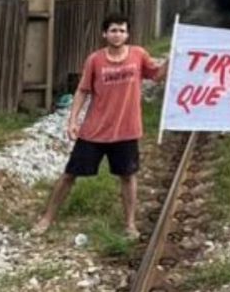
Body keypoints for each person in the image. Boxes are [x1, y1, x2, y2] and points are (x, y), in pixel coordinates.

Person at [33, 13, 166, 239]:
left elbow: (157, 75)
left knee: (128, 176)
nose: (118, 35)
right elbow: (83, 90)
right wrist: (73, 120)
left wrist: (176, 57)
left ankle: (130, 224)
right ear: (104, 33)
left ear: (128, 34)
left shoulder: (138, 55)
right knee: (69, 174)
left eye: (122, 30)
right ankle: (47, 218)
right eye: (113, 30)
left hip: (127, 130)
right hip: (95, 131)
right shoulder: (95, 60)